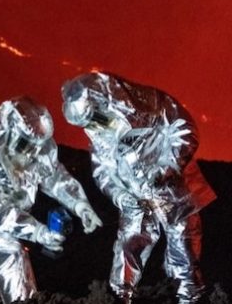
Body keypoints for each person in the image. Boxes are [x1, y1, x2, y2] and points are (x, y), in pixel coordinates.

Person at [61, 72, 216, 304]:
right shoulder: (99, 133)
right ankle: (119, 295)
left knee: (183, 243)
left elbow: (185, 130)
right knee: (129, 243)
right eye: (87, 123)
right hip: (136, 196)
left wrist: (167, 168)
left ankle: (188, 295)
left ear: (104, 100)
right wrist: (121, 196)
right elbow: (103, 172)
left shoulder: (151, 105)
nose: (93, 126)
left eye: (94, 118)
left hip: (173, 190)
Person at [0, 96, 102, 304]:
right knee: (12, 256)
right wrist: (38, 232)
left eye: (38, 144)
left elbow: (55, 177)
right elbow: (0, 213)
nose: (32, 151)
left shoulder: (37, 148)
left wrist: (80, 204)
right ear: (7, 132)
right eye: (25, 144)